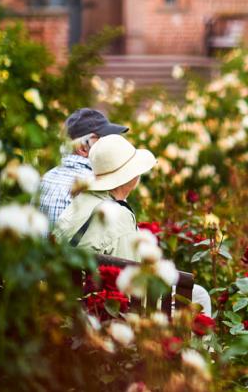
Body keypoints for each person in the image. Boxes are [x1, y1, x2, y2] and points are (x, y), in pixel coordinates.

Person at [53, 134, 211, 315]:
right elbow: (130, 284)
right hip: (103, 310)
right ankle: (199, 345)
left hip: (67, 302)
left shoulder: (80, 201)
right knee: (199, 295)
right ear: (130, 176)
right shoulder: (119, 215)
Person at [39, 108, 129, 227]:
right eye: (103, 139)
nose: (110, 145)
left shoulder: (45, 178)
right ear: (82, 148)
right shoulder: (102, 186)